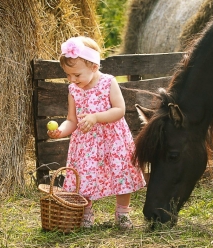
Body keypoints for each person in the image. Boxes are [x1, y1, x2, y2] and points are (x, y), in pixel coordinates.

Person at [47, 36, 146, 229]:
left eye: (76, 75)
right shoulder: (73, 90)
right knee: (82, 176)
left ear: (93, 67)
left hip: (113, 140)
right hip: (86, 144)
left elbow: (119, 110)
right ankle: (86, 212)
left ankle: (122, 213)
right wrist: (61, 131)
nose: (72, 80)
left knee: (122, 172)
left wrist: (96, 117)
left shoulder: (108, 82)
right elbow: (72, 120)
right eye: (68, 75)